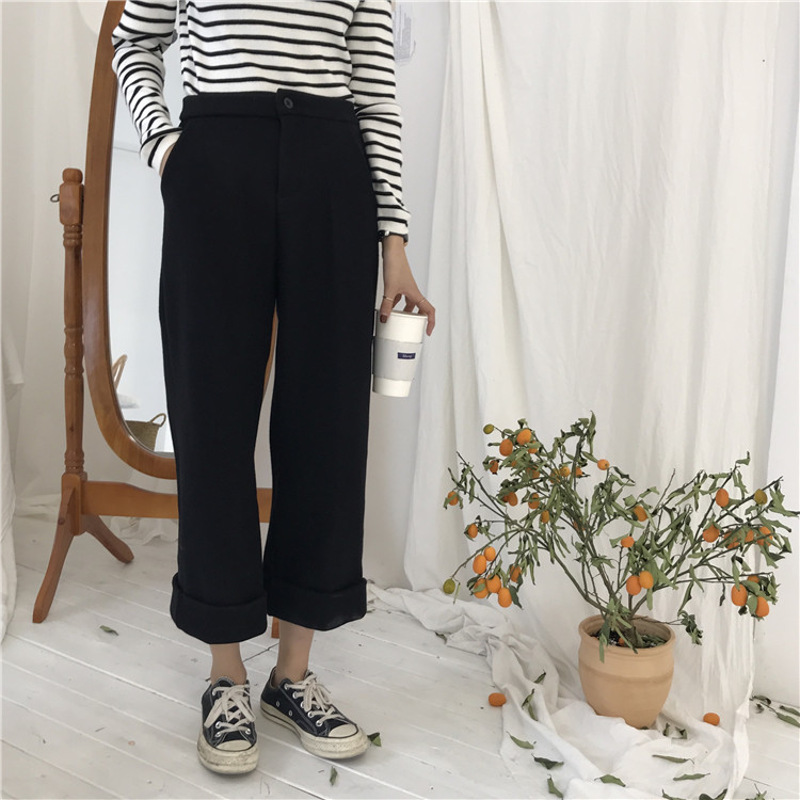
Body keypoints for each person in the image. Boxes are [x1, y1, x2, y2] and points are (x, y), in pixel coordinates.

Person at [111, 0, 436, 775]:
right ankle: (225, 673)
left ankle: (292, 675)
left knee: (327, 422)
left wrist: (394, 243)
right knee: (212, 414)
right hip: (216, 162)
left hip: (332, 169)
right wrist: (168, 150)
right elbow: (135, 42)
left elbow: (374, 92)